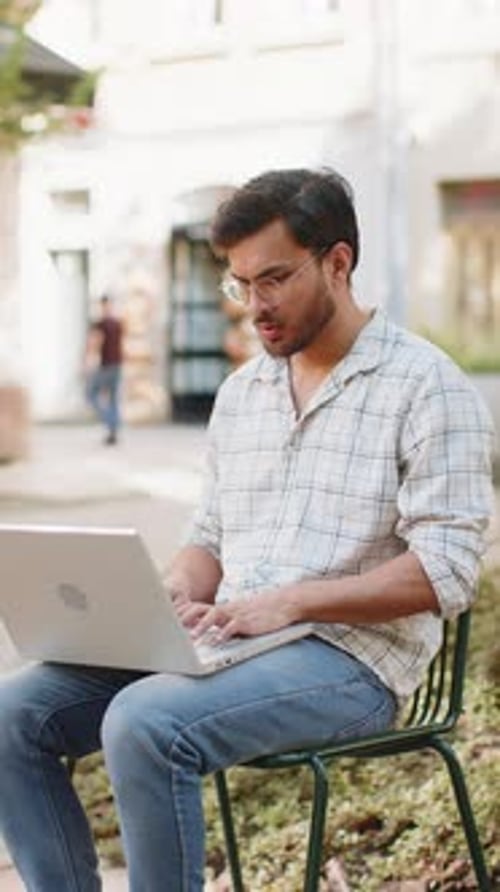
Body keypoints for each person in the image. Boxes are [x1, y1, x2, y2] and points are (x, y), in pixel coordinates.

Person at [0, 168, 495, 891]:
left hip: (354, 662)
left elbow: (446, 570)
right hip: (233, 640)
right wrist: (165, 597)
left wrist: (293, 600)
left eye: (273, 280)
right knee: (13, 714)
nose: (254, 308)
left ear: (337, 263)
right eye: (240, 285)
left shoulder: (427, 387)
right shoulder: (244, 394)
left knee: (145, 722)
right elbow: (211, 536)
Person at [85, 295, 124, 445]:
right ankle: (113, 429)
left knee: (90, 394)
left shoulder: (100, 324)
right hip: (117, 365)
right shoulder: (118, 323)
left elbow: (95, 344)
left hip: (107, 365)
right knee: (113, 399)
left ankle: (111, 421)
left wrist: (87, 364)